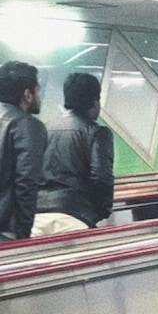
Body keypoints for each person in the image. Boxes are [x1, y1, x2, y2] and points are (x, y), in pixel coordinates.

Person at [33, 71, 114, 233]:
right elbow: (101, 177)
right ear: (95, 102)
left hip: (37, 216)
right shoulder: (97, 132)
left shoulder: (44, 129)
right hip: (74, 216)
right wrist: (101, 211)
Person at [0, 60, 47, 242]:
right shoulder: (27, 125)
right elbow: (26, 182)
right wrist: (23, 236)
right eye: (37, 90)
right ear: (27, 94)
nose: (39, 96)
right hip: (6, 229)